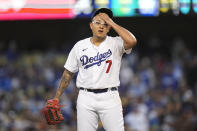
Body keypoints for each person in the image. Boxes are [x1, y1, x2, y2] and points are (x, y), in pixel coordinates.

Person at [50, 8, 137, 131]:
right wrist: (57, 97)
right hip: (85, 97)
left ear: (109, 28)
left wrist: (110, 21)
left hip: (110, 96)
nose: (101, 26)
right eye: (98, 23)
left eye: (105, 24)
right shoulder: (80, 46)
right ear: (91, 26)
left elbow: (132, 41)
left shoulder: (116, 43)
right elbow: (68, 73)